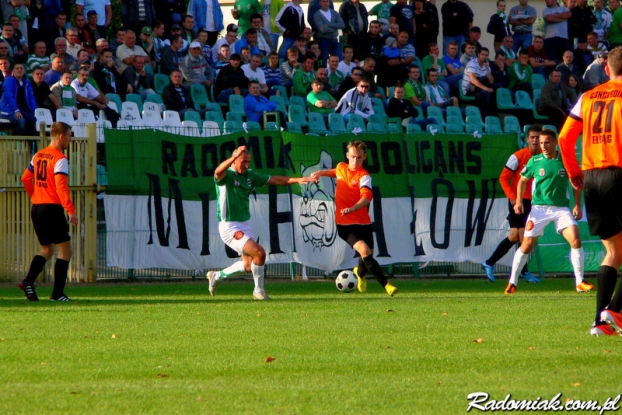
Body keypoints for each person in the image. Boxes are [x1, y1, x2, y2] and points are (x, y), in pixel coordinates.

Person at [558, 45, 622, 336]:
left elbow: (564, 138)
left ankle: (599, 322)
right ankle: (616, 310)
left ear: (607, 69)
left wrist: (574, 174)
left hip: (592, 176)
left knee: (613, 251)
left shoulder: (587, 96)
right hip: (619, 172)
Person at [206, 145, 310, 300]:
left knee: (249, 265)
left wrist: (297, 180)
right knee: (260, 252)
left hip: (244, 224)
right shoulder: (226, 176)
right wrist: (233, 158)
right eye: (243, 161)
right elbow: (217, 172)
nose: (247, 165)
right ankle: (258, 291)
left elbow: (274, 179)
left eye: (248, 162)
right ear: (234, 161)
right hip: (229, 226)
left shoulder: (249, 175)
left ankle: (217, 276)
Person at [505, 129, 593, 296]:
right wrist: (518, 201)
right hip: (539, 209)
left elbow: (576, 182)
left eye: (547, 142)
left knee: (575, 238)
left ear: (555, 143)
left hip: (561, 209)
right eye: (541, 142)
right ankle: (512, 282)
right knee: (527, 245)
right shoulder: (535, 161)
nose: (543, 146)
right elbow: (522, 180)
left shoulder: (565, 160)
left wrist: (577, 205)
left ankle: (580, 282)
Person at [309, 140, 398, 296]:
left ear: (364, 157)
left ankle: (359, 273)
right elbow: (335, 172)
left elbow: (367, 198)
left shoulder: (364, 176)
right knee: (364, 250)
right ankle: (387, 285)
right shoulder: (341, 167)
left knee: (368, 253)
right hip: (344, 224)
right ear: (347, 155)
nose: (355, 161)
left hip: (363, 222)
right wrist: (320, 173)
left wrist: (353, 208)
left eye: (358, 157)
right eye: (352, 157)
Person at [19, 122, 77, 302]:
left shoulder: (38, 155)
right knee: (65, 251)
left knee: (47, 249)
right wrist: (71, 210)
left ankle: (28, 281)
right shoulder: (60, 158)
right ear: (61, 136)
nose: (70, 139)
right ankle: (57, 294)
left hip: (37, 208)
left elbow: (25, 178)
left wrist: (35, 195)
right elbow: (61, 187)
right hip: (52, 208)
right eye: (69, 135)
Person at [482, 125, 542, 283]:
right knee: (524, 236)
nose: (535, 140)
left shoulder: (545, 157)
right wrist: (513, 198)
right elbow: (503, 178)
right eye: (533, 137)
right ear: (527, 139)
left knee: (515, 236)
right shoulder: (518, 156)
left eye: (538, 137)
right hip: (519, 201)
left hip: (535, 202)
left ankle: (489, 262)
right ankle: (524, 271)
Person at [0, 62, 37, 135]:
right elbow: (9, 97)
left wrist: (34, 110)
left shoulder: (27, 83)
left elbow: (31, 98)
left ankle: (31, 144)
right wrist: (16, 110)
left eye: (21, 68)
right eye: (17, 68)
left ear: (24, 71)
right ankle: (18, 143)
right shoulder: (8, 81)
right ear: (13, 71)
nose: (19, 70)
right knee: (21, 121)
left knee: (32, 119)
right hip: (7, 110)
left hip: (22, 110)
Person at [462, 47, 494, 117]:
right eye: (482, 54)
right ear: (478, 54)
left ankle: (492, 114)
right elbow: (473, 80)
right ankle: (484, 116)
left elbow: (491, 81)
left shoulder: (486, 65)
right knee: (485, 93)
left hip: (479, 87)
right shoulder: (472, 64)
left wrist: (487, 68)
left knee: (496, 87)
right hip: (469, 88)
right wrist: (486, 89)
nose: (484, 57)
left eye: (486, 55)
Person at [314, 0, 345, 65]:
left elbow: (342, 24)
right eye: (323, 1)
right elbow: (322, 29)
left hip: (334, 40)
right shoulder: (317, 14)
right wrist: (335, 28)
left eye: (327, 1)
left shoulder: (334, 13)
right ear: (320, 3)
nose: (325, 3)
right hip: (323, 40)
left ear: (329, 2)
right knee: (324, 60)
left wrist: (329, 25)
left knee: (340, 59)